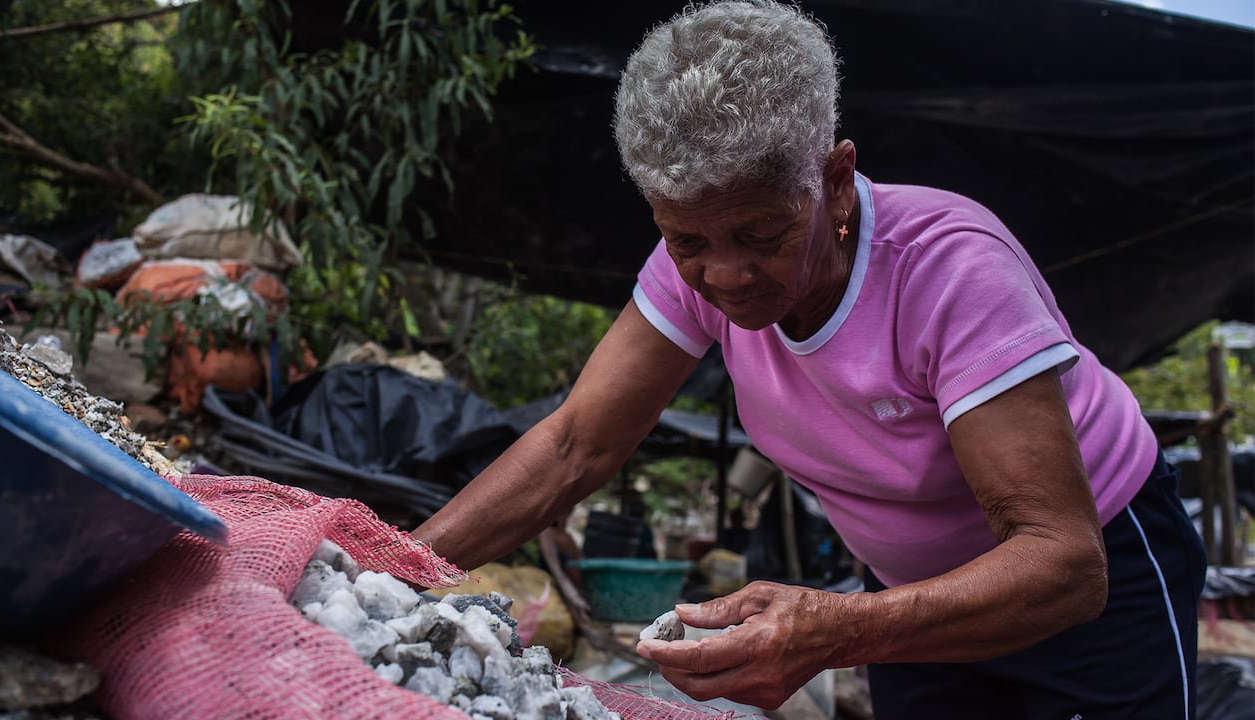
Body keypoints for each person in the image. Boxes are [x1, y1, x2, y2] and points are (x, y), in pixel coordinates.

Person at [412, 1, 1207, 716]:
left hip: (1096, 571)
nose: (724, 275)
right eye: (687, 240)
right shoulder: (692, 270)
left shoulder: (949, 269)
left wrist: (828, 630)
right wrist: (391, 566)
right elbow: (572, 446)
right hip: (907, 598)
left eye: (761, 236)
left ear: (833, 180)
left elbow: (1065, 563)